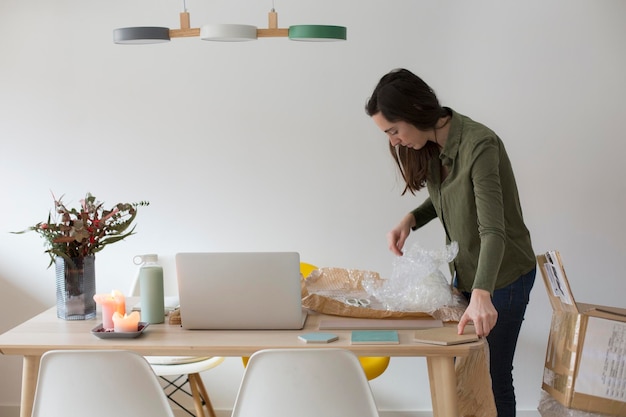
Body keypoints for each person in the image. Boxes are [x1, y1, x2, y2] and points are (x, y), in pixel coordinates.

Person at [365, 68, 536, 417]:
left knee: (493, 376)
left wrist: (482, 294)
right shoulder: (431, 146)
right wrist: (410, 220)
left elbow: (493, 230)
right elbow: (447, 196)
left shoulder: (479, 145)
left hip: (503, 277)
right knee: (468, 372)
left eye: (394, 131)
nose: (394, 142)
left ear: (414, 109)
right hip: (469, 275)